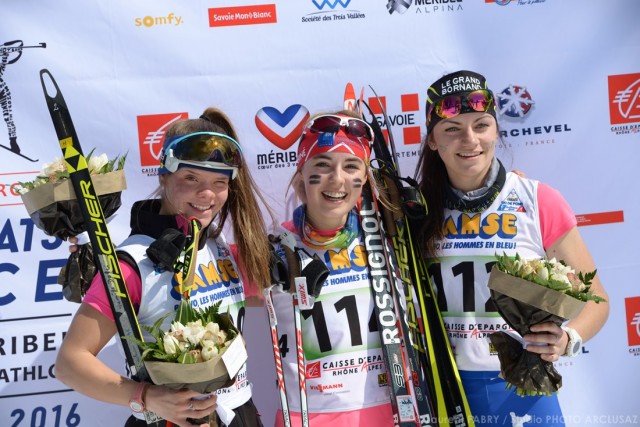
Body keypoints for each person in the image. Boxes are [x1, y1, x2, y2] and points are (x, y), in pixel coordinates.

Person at [414, 70, 610, 426]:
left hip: (523, 386)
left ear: (496, 130)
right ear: (432, 141)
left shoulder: (536, 199)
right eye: (452, 129)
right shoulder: (416, 210)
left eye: (481, 125)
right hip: (444, 389)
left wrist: (568, 338)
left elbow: (595, 299)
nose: (469, 140)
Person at [55, 108, 273, 427]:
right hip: (168, 420)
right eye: (191, 178)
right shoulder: (132, 263)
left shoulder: (223, 249)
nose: (207, 194)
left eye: (219, 182)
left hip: (238, 414)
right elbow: (70, 363)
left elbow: (286, 294)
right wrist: (146, 397)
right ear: (163, 175)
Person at [269, 110, 398, 426]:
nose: (337, 179)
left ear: (364, 178)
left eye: (351, 166)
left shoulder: (393, 238)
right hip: (307, 416)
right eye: (322, 166)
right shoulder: (271, 248)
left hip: (389, 411)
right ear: (302, 173)